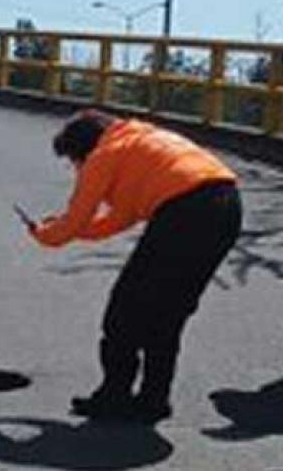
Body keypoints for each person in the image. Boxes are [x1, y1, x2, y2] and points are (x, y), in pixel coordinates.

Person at [28, 111, 242, 423]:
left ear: (84, 151)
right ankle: (153, 399)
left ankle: (114, 395)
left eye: (74, 162)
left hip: (185, 211)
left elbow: (77, 218)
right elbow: (116, 220)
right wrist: (63, 228)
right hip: (226, 205)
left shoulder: (103, 155)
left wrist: (44, 233)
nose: (76, 169)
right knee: (168, 312)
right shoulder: (138, 140)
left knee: (125, 308)